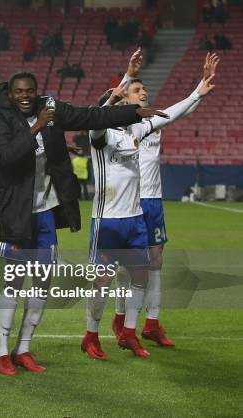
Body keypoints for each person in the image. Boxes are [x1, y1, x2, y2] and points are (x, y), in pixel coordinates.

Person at [0, 71, 156, 375]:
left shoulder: (50, 109)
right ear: (11, 94)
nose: (25, 96)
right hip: (17, 215)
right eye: (19, 91)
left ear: (36, 92)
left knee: (41, 283)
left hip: (46, 214)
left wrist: (134, 112)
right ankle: (1, 353)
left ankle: (23, 349)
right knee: (12, 282)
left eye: (30, 91)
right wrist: (36, 126)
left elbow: (90, 116)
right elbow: (4, 156)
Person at [83, 56, 215, 360]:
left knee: (140, 275)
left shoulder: (134, 133)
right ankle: (90, 335)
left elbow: (167, 115)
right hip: (106, 221)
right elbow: (96, 119)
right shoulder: (99, 137)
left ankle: (129, 332)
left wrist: (197, 92)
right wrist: (121, 84)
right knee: (102, 280)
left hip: (134, 220)